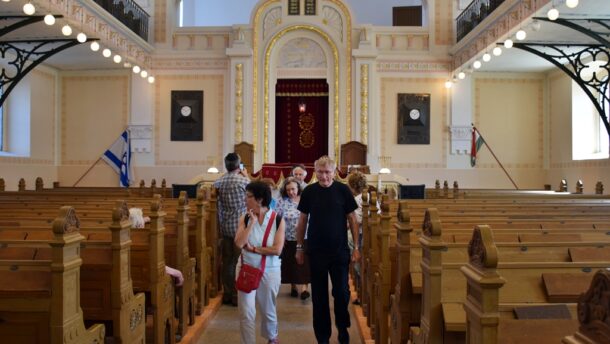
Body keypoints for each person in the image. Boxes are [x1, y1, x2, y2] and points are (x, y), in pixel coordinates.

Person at [295, 156, 360, 344]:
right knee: (319, 297)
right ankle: (322, 337)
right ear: (315, 172)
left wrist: (356, 247)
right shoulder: (309, 192)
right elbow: (302, 221)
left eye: (327, 172)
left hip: (339, 252)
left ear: (334, 172)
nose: (324, 176)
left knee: (341, 293)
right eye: (320, 172)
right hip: (316, 252)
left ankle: (342, 327)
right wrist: (299, 247)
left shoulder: (343, 190)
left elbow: (353, 220)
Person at [234, 181, 285, 344]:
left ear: (260, 199)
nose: (244, 199)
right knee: (246, 312)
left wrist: (255, 249)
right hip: (246, 267)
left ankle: (271, 337)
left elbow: (277, 249)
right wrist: (252, 224)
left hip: (270, 270)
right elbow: (240, 243)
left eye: (248, 196)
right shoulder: (245, 218)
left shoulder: (278, 219)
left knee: (268, 309)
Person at [214, 152, 250, 306]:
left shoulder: (219, 181)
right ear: (238, 165)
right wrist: (247, 176)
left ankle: (228, 293)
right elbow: (253, 195)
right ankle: (239, 294)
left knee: (228, 261)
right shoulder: (243, 181)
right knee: (241, 261)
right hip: (241, 226)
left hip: (226, 226)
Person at [276, 177, 310, 300]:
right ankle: (293, 286)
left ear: (298, 188)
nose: (291, 192)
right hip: (288, 236)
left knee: (304, 263)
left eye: (293, 189)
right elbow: (277, 219)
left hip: (304, 236)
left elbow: (310, 216)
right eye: (288, 190)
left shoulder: (304, 200)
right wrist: (280, 235)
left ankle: (305, 288)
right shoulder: (281, 201)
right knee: (290, 262)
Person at [346, 172, 368, 305]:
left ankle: (362, 296)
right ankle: (362, 295)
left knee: (359, 265)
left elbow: (357, 220)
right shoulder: (370, 197)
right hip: (365, 234)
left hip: (360, 235)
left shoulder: (358, 199)